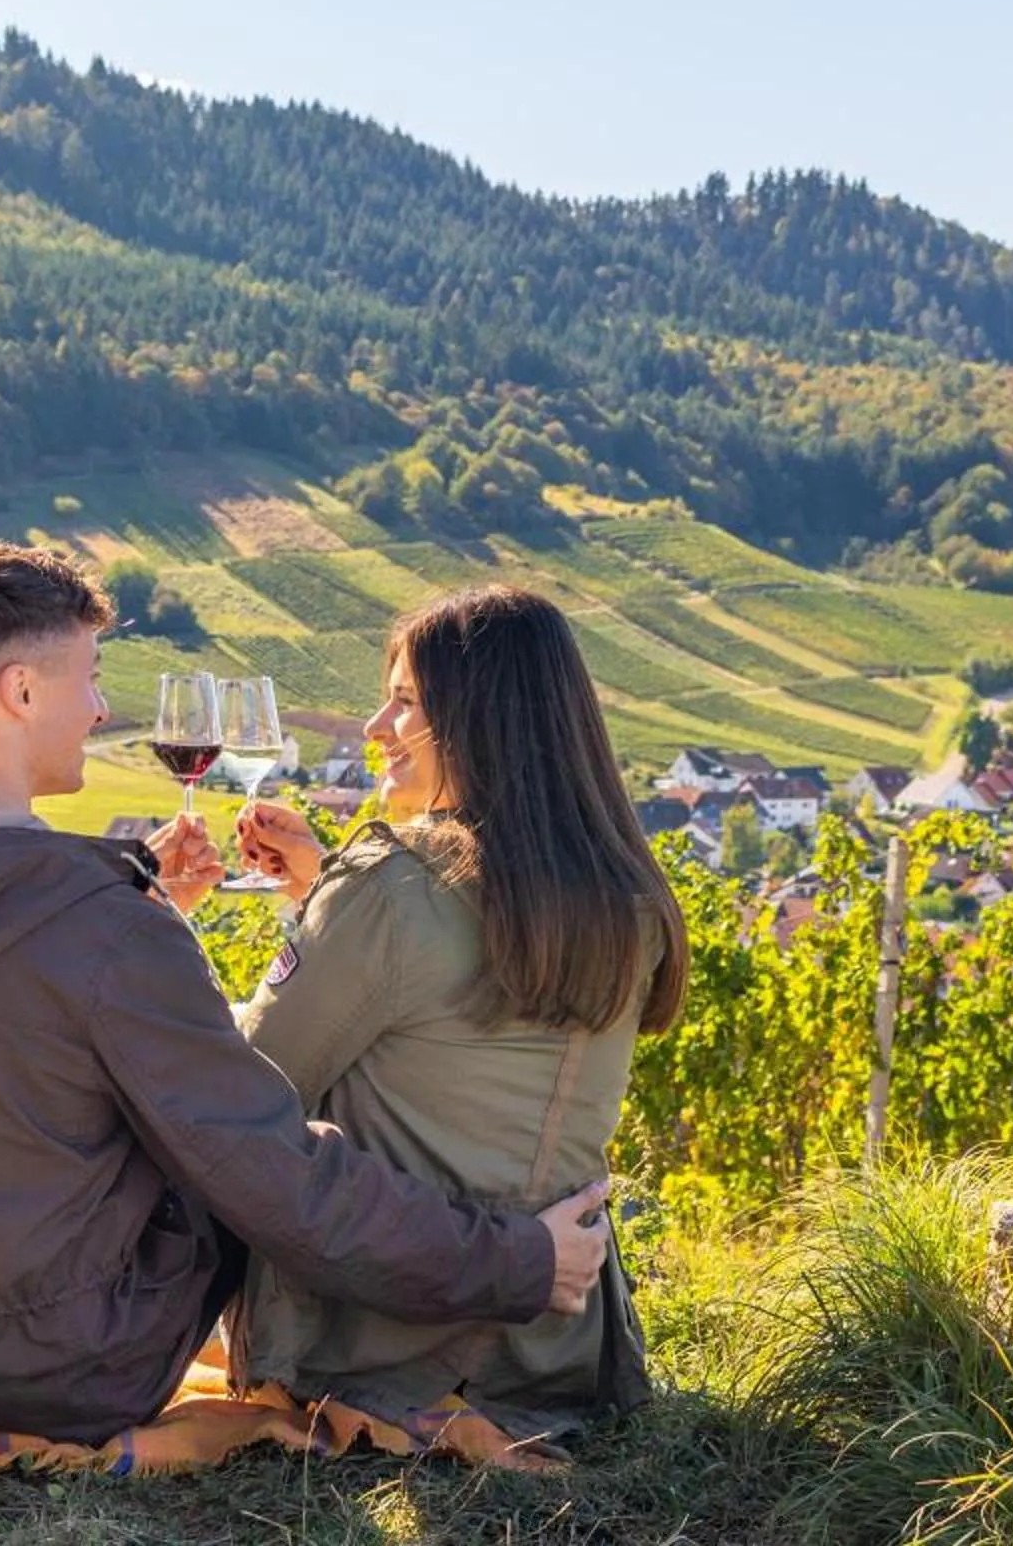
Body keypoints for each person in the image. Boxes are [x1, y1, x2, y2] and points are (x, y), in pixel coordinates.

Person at [0, 543, 613, 1446]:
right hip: (60, 1374)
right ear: (20, 692)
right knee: (221, 1150)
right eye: (88, 679)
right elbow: (280, 1177)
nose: (98, 709)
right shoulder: (105, 926)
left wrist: (145, 913)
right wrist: (521, 1262)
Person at [220, 584, 687, 1438]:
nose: (374, 728)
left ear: (477, 716)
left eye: (403, 702)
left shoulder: (392, 891)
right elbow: (463, 1018)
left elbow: (252, 1083)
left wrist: (153, 949)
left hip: (379, 1345)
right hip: (556, 1351)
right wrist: (318, 899)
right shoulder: (625, 895)